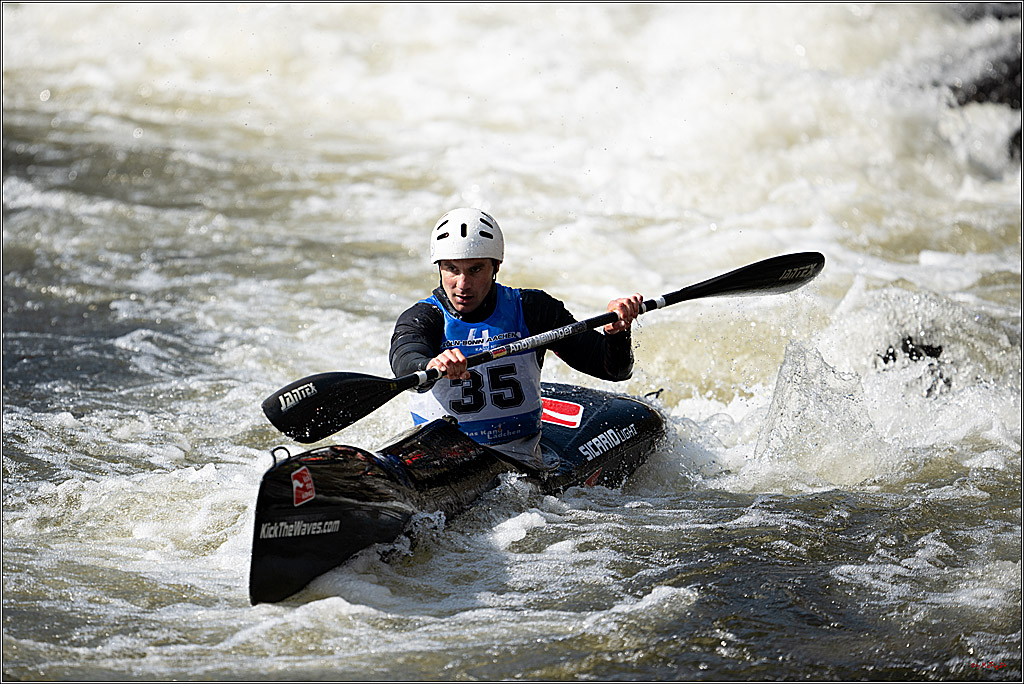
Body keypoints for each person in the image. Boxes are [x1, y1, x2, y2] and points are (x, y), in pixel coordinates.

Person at [389, 208, 642, 472]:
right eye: (452, 269)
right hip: (442, 463)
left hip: (519, 464)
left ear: (496, 266)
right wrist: (430, 364)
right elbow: (405, 360)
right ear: (439, 267)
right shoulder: (423, 317)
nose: (462, 284)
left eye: (475, 270)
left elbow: (613, 370)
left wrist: (617, 332)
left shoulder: (532, 309)